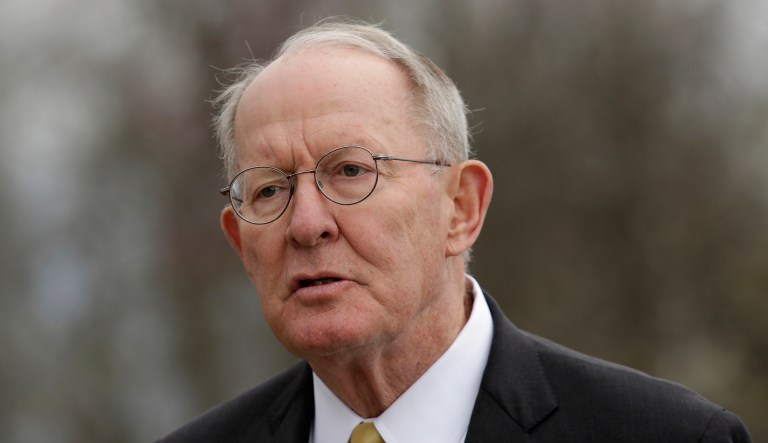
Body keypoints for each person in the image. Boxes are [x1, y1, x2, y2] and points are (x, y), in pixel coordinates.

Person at [160, 18, 751, 443]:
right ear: (240, 244)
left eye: (350, 172)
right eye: (269, 190)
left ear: (461, 207)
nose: (307, 224)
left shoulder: (666, 435)